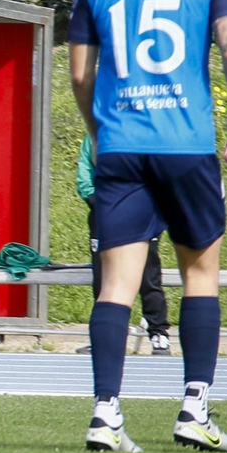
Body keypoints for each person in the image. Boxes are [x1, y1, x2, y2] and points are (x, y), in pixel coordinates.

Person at [68, 0, 227, 453]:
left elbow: (79, 71)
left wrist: (97, 128)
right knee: (199, 275)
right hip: (184, 143)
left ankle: (105, 415)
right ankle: (193, 409)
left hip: (121, 144)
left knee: (115, 287)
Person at [78, 132, 170, 355]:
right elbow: (84, 176)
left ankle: (158, 333)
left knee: (149, 276)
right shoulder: (93, 136)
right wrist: (99, 202)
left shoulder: (149, 134)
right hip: (104, 213)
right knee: (103, 278)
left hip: (142, 213)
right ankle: (106, 335)